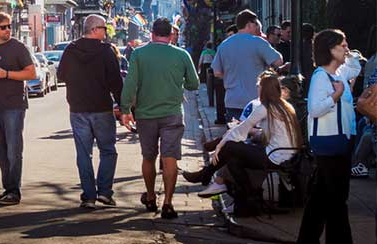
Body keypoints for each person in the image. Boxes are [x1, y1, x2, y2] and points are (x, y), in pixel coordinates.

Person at [184, 71, 299, 217]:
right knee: (233, 159)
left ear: (264, 89)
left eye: (259, 87)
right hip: (285, 155)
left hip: (275, 156)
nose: (257, 90)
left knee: (230, 147)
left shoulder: (265, 107)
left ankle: (206, 174)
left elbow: (240, 130)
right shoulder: (285, 106)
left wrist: (219, 147)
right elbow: (269, 133)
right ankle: (248, 200)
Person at [120, 17, 200, 220]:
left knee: (148, 157)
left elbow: (130, 84)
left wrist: (125, 109)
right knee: (170, 157)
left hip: (146, 115)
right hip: (172, 114)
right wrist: (178, 83)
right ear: (171, 35)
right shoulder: (182, 55)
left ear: (153, 34)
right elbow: (193, 84)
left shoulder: (139, 54)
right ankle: (168, 203)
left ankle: (150, 196)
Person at [297, 29, 362, 244]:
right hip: (330, 143)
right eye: (342, 45)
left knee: (322, 196)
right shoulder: (320, 77)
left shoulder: (339, 72)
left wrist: (350, 53)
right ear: (329, 50)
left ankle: (307, 238)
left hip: (341, 141)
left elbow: (355, 68)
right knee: (336, 199)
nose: (346, 48)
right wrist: (335, 96)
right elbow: (315, 109)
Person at [58, 14, 123, 209]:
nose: (107, 32)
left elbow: (61, 75)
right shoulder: (106, 52)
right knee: (108, 151)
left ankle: (88, 196)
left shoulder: (71, 50)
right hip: (102, 108)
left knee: (84, 154)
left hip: (78, 109)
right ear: (95, 30)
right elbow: (116, 82)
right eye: (104, 28)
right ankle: (104, 192)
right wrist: (122, 105)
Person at [0, 12, 37, 205]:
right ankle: (7, 188)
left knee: (14, 149)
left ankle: (14, 191)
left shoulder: (18, 48)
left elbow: (31, 73)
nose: (8, 30)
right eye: (3, 27)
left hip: (14, 104)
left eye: (9, 26)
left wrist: (7, 74)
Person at [211, 10, 283, 127]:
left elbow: (217, 72)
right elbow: (278, 62)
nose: (257, 28)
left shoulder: (224, 45)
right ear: (249, 24)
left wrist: (233, 75)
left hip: (232, 102)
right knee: (257, 139)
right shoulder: (258, 42)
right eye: (256, 25)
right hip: (256, 102)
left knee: (236, 139)